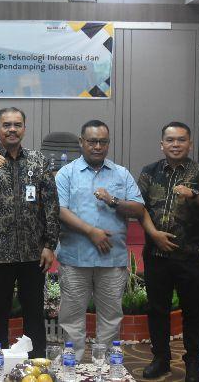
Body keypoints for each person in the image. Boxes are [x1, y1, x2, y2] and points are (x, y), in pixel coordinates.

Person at [0, 107, 59, 358]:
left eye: (17, 124)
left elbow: (51, 205)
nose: (12, 129)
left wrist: (49, 245)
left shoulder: (38, 161)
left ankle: (37, 363)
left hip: (33, 252)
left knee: (34, 313)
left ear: (24, 128)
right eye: (6, 125)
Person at [138, 122, 199, 382]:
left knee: (193, 313)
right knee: (157, 310)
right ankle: (160, 359)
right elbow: (138, 208)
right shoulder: (149, 172)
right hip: (156, 255)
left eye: (181, 140)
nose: (175, 144)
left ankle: (193, 363)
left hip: (191, 257)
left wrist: (194, 194)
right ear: (162, 144)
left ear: (190, 144)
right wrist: (154, 235)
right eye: (170, 140)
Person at [55, 120, 145, 361]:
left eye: (103, 142)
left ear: (108, 144)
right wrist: (91, 232)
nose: (97, 146)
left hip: (111, 259)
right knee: (71, 318)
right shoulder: (66, 174)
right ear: (81, 142)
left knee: (111, 317)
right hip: (75, 258)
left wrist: (112, 200)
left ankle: (103, 366)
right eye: (92, 141)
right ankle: (72, 364)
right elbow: (59, 210)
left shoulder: (121, 174)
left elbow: (138, 208)